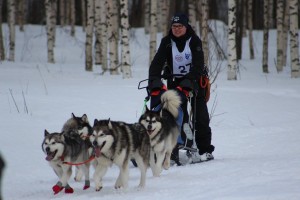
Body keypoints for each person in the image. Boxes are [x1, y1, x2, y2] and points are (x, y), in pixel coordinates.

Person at [148, 13, 215, 165]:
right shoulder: (167, 42)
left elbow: (198, 64)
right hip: (174, 81)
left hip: (195, 81)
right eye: (174, 26)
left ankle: (205, 150)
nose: (177, 29)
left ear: (186, 27)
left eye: (180, 26)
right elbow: (157, 63)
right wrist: (155, 80)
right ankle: (174, 148)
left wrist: (189, 80)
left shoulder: (194, 40)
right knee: (175, 114)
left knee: (201, 117)